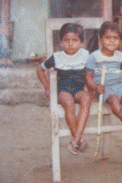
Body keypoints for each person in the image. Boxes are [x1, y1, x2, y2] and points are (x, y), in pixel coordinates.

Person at [36, 23, 92, 155]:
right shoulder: (57, 57)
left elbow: (91, 73)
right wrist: (47, 87)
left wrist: (91, 89)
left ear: (82, 43)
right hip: (63, 91)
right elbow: (40, 70)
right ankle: (78, 141)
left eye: (75, 40)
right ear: (61, 42)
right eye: (66, 40)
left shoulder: (86, 55)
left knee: (86, 98)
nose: (71, 44)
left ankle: (76, 140)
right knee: (68, 102)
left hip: (79, 89)